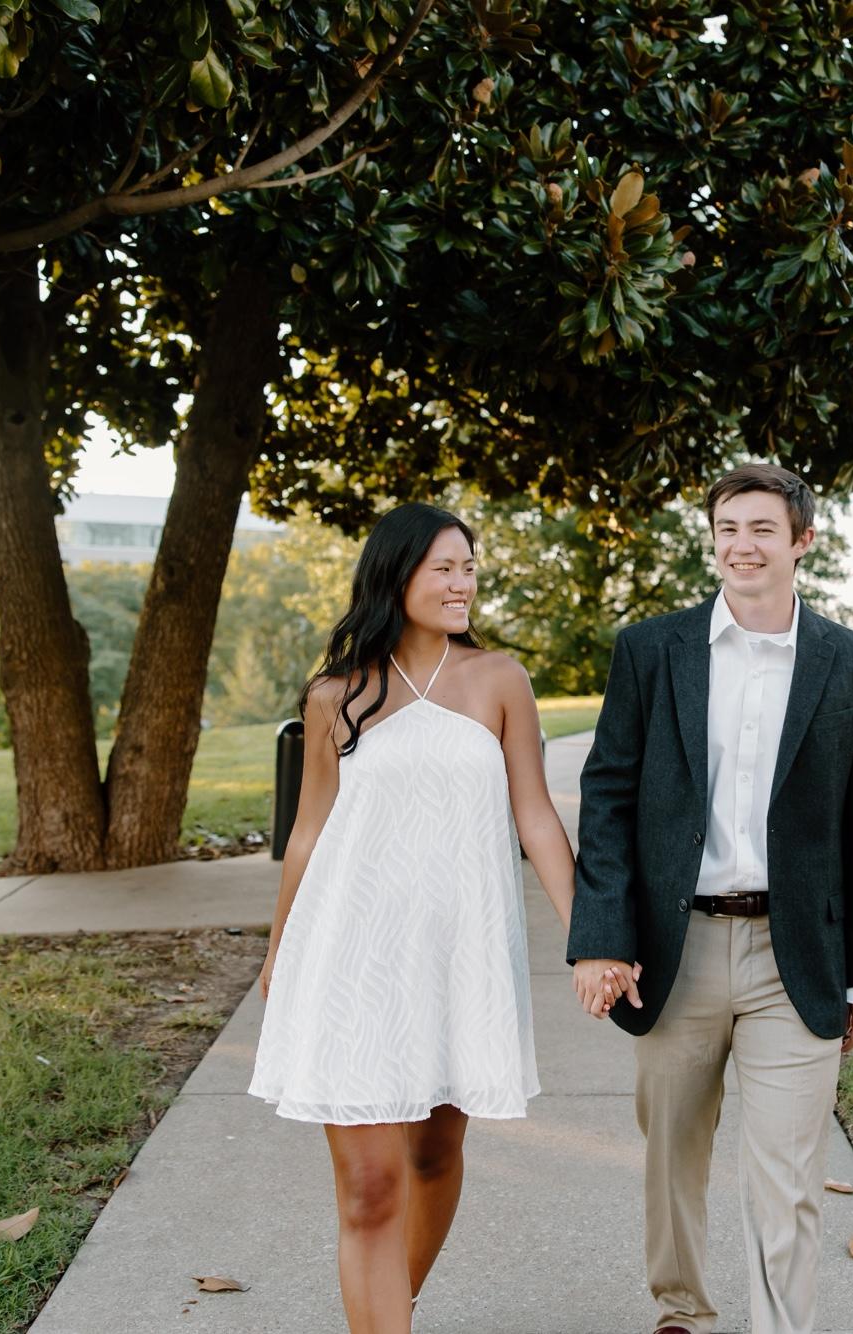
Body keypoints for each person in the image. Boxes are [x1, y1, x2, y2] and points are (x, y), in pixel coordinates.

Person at [248, 502, 601, 1334]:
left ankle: (389, 1309)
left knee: (436, 1154)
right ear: (396, 573)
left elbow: (537, 816)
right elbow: (309, 832)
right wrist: (279, 950)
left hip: (460, 959)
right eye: (445, 567)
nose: (462, 582)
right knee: (372, 1189)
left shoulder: (499, 680)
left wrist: (591, 935)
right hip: (348, 958)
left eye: (469, 567)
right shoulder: (335, 696)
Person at [567, 462, 853, 1334]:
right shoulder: (650, 649)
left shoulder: (850, 662)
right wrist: (600, 935)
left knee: (787, 1176)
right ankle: (682, 1312)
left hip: (800, 958)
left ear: (801, 543)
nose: (741, 545)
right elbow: (609, 796)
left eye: (761, 529)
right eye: (727, 528)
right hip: (680, 953)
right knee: (673, 1154)